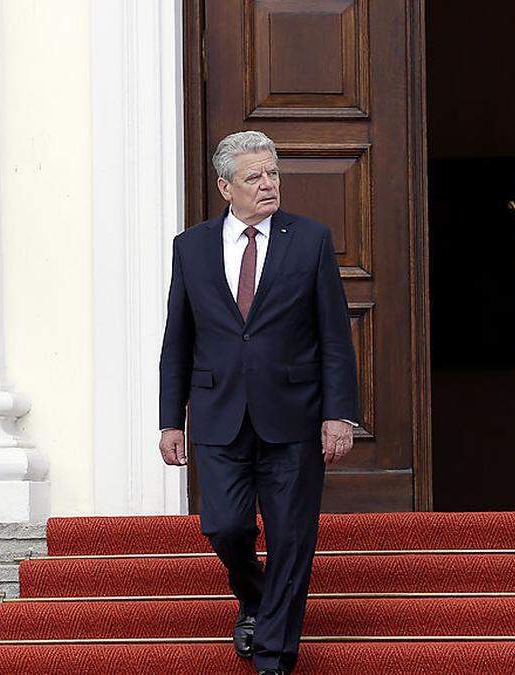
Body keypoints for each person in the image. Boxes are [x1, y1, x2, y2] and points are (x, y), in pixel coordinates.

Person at [158, 131, 358, 673]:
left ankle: (272, 654)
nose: (268, 184)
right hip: (218, 413)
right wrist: (169, 420)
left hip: (294, 412)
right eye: (254, 177)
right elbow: (178, 338)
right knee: (224, 526)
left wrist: (338, 414)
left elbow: (335, 335)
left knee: (293, 535)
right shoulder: (191, 247)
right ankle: (255, 598)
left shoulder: (310, 239)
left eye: (272, 173)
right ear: (226, 187)